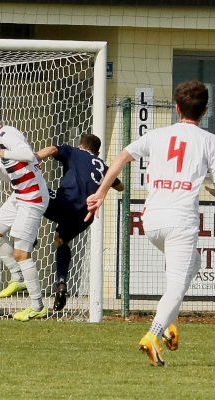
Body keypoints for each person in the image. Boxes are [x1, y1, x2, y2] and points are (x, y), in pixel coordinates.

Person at [87, 80, 215, 366]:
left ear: (176, 107)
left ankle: (169, 323)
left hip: (153, 220)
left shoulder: (157, 135)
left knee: (191, 266)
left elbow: (122, 156)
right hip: (181, 220)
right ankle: (154, 334)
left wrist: (100, 192)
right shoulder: (209, 141)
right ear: (205, 110)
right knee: (177, 283)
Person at [35, 134, 124, 311]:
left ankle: (29, 239)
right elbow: (120, 186)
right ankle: (61, 282)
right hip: (86, 213)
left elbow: (52, 149)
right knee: (61, 240)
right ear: (97, 152)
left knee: (34, 193)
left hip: (67, 201)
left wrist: (33, 159)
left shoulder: (74, 151)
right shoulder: (102, 167)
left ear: (80, 145)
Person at [0, 111, 49, 321]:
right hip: (19, 195)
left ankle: (37, 306)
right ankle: (17, 276)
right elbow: (9, 179)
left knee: (22, 253)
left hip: (32, 198)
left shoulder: (7, 134)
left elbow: (28, 154)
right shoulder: (2, 143)